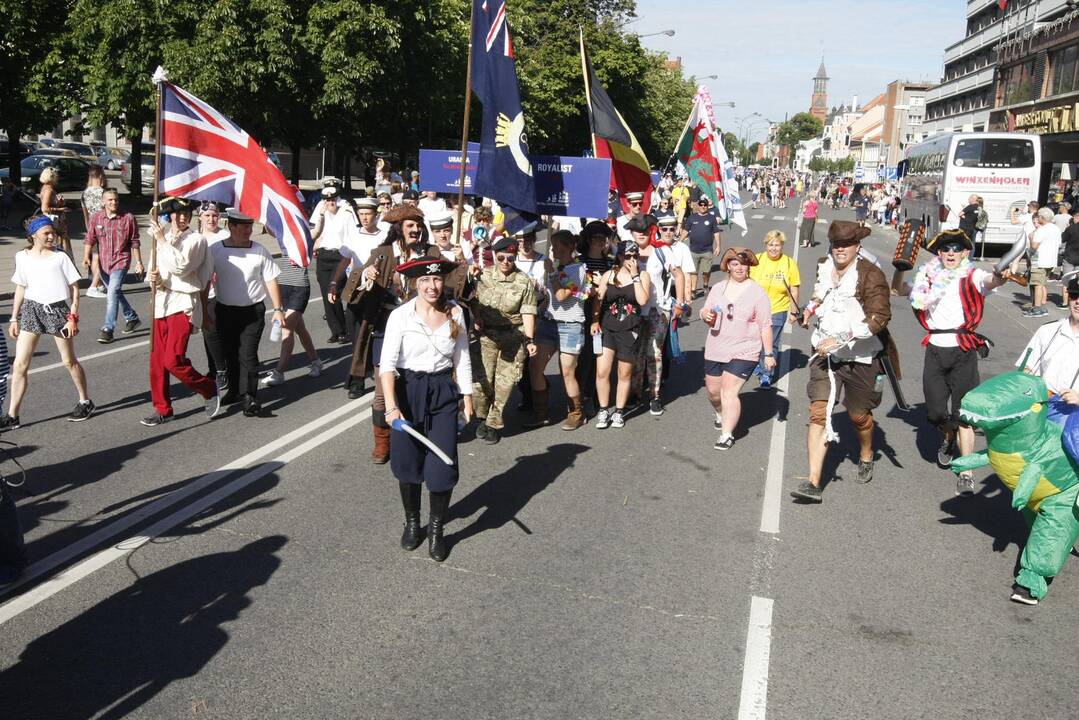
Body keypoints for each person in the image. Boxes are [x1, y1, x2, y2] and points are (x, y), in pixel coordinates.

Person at [790, 221, 897, 503]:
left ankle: (865, 453)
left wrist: (840, 338)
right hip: (825, 355)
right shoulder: (824, 266)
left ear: (857, 247)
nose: (840, 249)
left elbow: (879, 317)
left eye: (846, 244)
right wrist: (807, 311)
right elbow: (820, 296)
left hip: (860, 356)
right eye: (836, 244)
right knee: (818, 411)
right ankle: (813, 482)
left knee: (858, 416)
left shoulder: (870, 274)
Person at [380, 256, 473, 563]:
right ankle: (412, 522)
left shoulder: (456, 312)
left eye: (436, 280)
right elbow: (387, 367)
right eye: (424, 281)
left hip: (443, 392)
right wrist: (392, 408)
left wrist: (467, 396)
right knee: (407, 463)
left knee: (442, 466)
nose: (432, 286)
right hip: (408, 392)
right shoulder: (400, 317)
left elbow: (462, 358)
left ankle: (436, 530)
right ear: (414, 284)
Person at [909, 228, 1006, 495]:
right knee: (935, 413)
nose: (950, 253)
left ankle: (966, 471)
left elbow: (991, 280)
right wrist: (899, 267)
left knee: (964, 414)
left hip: (963, 350)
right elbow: (904, 291)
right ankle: (948, 436)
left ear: (964, 253)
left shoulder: (972, 275)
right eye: (945, 248)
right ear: (939, 253)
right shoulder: (927, 276)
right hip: (935, 349)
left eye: (956, 249)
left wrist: (1000, 274)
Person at [332, 204, 412, 462]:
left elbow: (449, 284)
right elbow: (353, 292)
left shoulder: (429, 254)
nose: (416, 231)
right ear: (399, 230)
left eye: (418, 226)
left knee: (413, 385)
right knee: (381, 390)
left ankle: (411, 435)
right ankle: (382, 443)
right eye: (410, 226)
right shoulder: (382, 254)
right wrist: (364, 274)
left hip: (418, 330)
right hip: (385, 326)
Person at [1, 216, 94, 429]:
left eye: (52, 232)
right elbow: (21, 287)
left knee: (69, 361)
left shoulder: (60, 257)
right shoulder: (22, 256)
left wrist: (72, 318)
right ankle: (12, 415)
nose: (51, 236)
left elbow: (74, 289)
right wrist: (15, 317)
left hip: (57, 310)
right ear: (33, 235)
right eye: (46, 233)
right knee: (19, 364)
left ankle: (85, 401)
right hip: (32, 310)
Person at [142, 197, 221, 426]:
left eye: (186, 212)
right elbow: (152, 271)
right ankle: (162, 408)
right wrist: (153, 278)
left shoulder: (196, 240)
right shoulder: (163, 237)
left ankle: (208, 387)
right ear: (170, 215)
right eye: (177, 212)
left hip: (183, 302)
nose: (182, 216)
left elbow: (182, 267)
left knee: (173, 360)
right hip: (161, 303)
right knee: (157, 361)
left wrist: (161, 240)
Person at [209, 210, 287, 417]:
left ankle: (250, 397)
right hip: (224, 310)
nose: (248, 230)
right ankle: (235, 390)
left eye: (250, 226)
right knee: (230, 354)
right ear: (231, 227)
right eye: (243, 226)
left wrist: (278, 309)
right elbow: (205, 279)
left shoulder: (259, 250)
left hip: (252, 311)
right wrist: (201, 309)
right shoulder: (216, 250)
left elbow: (271, 279)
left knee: (248, 354)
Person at [700, 248, 774, 449]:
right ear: (728, 267)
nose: (739, 267)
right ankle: (720, 412)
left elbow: (765, 325)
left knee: (729, 392)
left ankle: (726, 434)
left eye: (743, 264)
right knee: (714, 393)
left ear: (749, 266)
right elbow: (705, 309)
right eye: (735, 264)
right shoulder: (718, 288)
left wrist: (768, 354)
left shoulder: (758, 292)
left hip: (745, 349)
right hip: (716, 347)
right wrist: (705, 314)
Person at [470, 235, 537, 444]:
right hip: (487, 337)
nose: (506, 262)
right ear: (495, 257)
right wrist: (477, 317)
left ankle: (493, 422)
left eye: (510, 257)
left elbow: (528, 312)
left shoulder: (523, 281)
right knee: (482, 383)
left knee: (505, 383)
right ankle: (483, 415)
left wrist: (530, 340)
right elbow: (472, 301)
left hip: (513, 337)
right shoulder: (484, 276)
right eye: (501, 257)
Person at [627, 213, 685, 415]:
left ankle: (654, 395)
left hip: (658, 310)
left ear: (650, 231)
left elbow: (678, 274)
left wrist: (681, 302)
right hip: (633, 311)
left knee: (654, 352)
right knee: (636, 354)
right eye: (637, 231)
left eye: (644, 231)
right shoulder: (626, 252)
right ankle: (635, 393)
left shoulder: (661, 252)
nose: (641, 234)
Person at [592, 240, 651, 429]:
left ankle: (619, 411)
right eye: (627, 256)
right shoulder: (609, 275)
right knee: (602, 371)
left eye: (635, 256)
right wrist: (594, 321)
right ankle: (603, 409)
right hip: (608, 327)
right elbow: (599, 301)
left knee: (624, 373)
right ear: (619, 257)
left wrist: (635, 277)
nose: (631, 260)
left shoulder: (643, 275)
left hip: (630, 328)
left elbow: (642, 300)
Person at [1016, 275, 1079, 426]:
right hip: (1045, 412)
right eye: (1074, 295)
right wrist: (1027, 377)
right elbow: (1027, 369)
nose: (1077, 302)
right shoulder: (1048, 331)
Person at [83, 189, 144, 344]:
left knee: (112, 294)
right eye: (110, 200)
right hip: (103, 264)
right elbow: (90, 239)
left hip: (121, 261)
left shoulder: (128, 218)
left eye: (116, 200)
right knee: (114, 293)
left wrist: (139, 262)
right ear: (103, 202)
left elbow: (135, 242)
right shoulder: (96, 218)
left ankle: (108, 329)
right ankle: (132, 317)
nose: (113, 203)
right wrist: (85, 257)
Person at [545, 229, 589, 430]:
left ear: (570, 247)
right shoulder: (557, 267)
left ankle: (576, 412)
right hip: (550, 322)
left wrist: (553, 273)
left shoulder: (578, 270)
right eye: (552, 246)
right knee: (535, 365)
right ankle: (539, 409)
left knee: (567, 372)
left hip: (570, 325)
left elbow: (562, 295)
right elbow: (551, 295)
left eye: (557, 246)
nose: (553, 250)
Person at [749, 230, 800, 388]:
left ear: (782, 246)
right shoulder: (757, 259)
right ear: (766, 245)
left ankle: (767, 374)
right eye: (771, 245)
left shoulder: (789, 263)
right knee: (755, 340)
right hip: (756, 308)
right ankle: (758, 362)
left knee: (772, 343)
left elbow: (794, 288)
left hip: (777, 309)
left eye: (777, 245)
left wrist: (793, 312)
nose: (773, 248)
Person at [311, 185, 357, 343]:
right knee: (326, 293)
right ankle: (337, 330)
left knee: (335, 290)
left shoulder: (346, 211)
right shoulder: (320, 208)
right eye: (327, 199)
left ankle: (345, 329)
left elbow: (352, 236)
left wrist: (351, 258)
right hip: (324, 255)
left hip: (341, 255)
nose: (330, 202)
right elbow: (316, 231)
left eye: (332, 199)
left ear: (338, 198)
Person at [1025, 207, 1062, 317]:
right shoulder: (1056, 229)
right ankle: (1040, 306)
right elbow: (1059, 244)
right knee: (1042, 284)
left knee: (1037, 285)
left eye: (1039, 216)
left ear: (1042, 217)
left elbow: (1034, 246)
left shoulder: (1042, 230)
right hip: (1051, 260)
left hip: (1040, 261)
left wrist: (1031, 237)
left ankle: (1037, 308)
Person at [681, 198, 721, 297]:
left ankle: (705, 285)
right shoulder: (692, 217)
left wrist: (718, 246)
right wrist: (679, 241)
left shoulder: (711, 218)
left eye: (705, 205)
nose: (703, 207)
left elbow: (716, 232)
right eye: (701, 205)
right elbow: (686, 231)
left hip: (707, 250)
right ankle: (693, 290)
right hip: (693, 250)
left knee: (706, 271)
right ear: (698, 206)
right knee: (693, 272)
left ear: (707, 207)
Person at [80, 165, 108, 298]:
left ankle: (98, 283)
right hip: (103, 227)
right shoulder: (103, 193)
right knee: (101, 257)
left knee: (96, 256)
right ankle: (94, 285)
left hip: (91, 226)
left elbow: (85, 214)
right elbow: (107, 212)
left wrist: (88, 228)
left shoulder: (84, 193)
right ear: (101, 176)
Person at [38, 167, 71, 256]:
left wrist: (59, 203)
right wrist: (60, 209)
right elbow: (44, 208)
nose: (58, 178)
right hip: (55, 223)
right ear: (52, 177)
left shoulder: (46, 188)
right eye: (57, 176)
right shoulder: (48, 190)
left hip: (55, 223)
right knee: (58, 246)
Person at [1059, 206, 1079, 306]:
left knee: (1066, 280)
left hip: (1069, 257)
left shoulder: (1071, 228)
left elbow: (1062, 239)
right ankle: (1076, 300)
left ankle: (1065, 302)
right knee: (1078, 280)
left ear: (1077, 217)